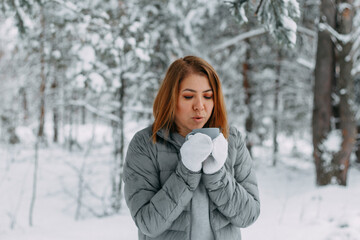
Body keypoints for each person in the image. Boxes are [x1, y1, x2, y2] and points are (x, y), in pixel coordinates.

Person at [123, 56, 260, 240]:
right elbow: (148, 223)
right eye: (188, 96)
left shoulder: (231, 140)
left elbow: (248, 215)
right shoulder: (145, 144)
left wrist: (217, 175)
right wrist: (187, 171)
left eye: (208, 96)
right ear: (171, 98)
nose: (199, 106)